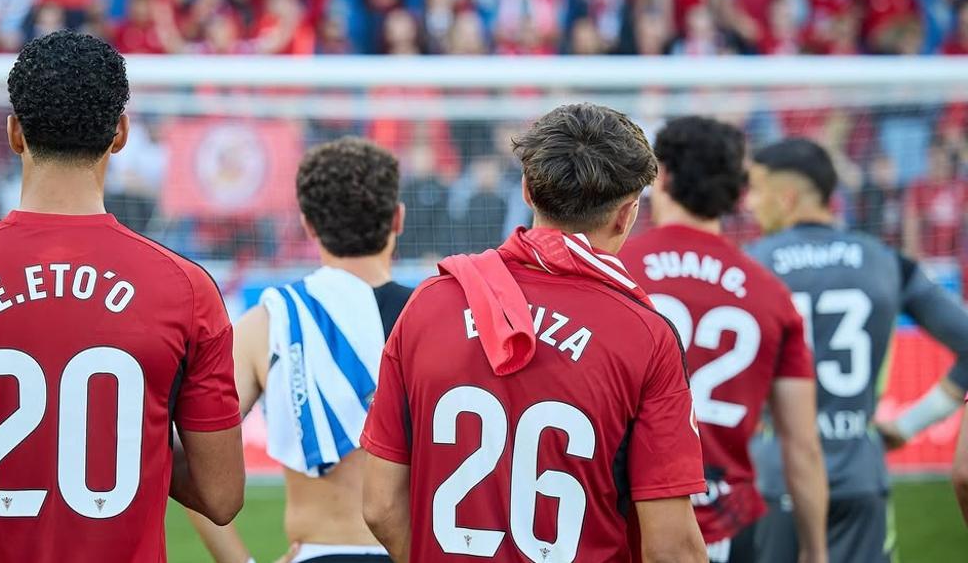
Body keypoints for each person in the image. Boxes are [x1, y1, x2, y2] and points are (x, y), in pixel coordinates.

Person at [0, 31, 245, 562]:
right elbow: (221, 496)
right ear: (120, 133)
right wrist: (127, 436)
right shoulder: (185, 289)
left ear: (15, 133)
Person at [360, 103, 708, 562]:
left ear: (526, 190)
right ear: (627, 214)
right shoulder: (645, 334)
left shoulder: (430, 304)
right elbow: (672, 548)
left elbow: (382, 506)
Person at [190, 137, 413, 563]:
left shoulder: (267, 323)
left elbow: (190, 457)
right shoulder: (434, 319)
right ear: (398, 219)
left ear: (308, 224)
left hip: (319, 550)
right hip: (413, 550)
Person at [745, 138, 968, 563]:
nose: (750, 204)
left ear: (787, 197)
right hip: (860, 474)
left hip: (778, 475)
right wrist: (908, 424)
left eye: (756, 189)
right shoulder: (885, 261)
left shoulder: (752, 263)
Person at [621, 117, 827, 563]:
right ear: (737, 191)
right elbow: (801, 444)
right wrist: (815, 549)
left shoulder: (615, 269)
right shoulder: (771, 293)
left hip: (633, 520)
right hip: (729, 521)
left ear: (663, 177)